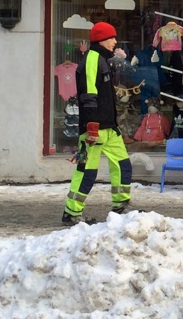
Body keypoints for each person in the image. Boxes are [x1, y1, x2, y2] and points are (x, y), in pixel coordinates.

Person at [62, 22, 137, 226]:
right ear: (102, 39)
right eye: (111, 38)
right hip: (94, 129)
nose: (115, 42)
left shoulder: (103, 60)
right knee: (86, 172)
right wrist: (91, 127)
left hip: (109, 129)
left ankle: (121, 206)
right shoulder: (93, 59)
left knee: (123, 166)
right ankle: (71, 212)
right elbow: (89, 93)